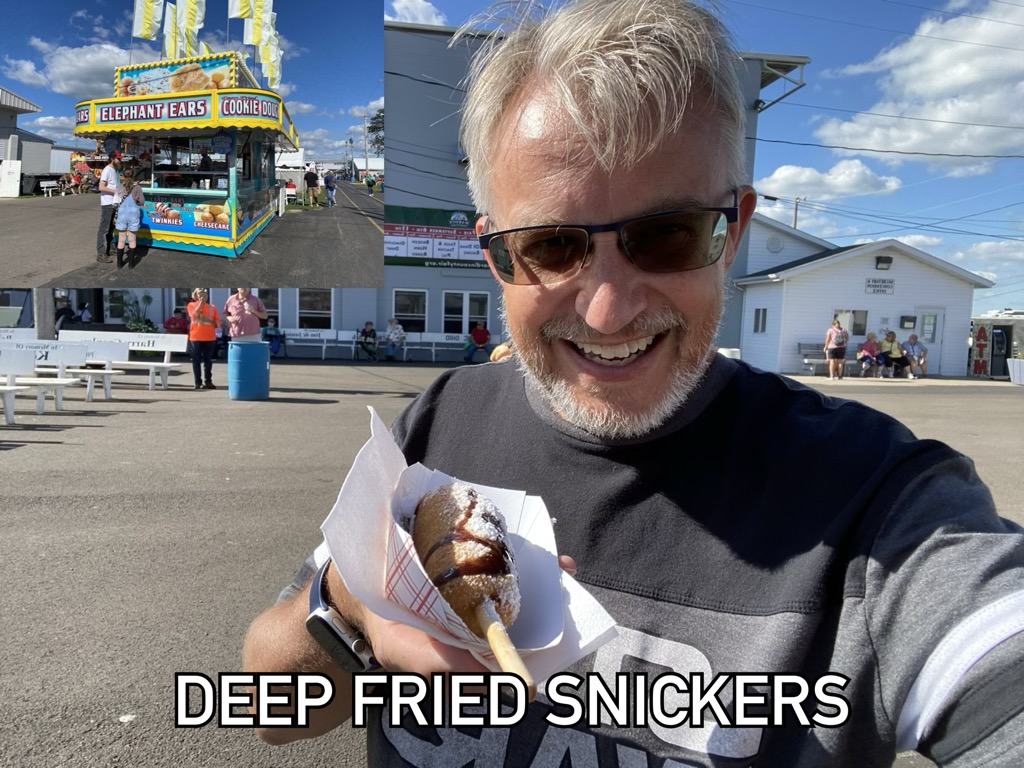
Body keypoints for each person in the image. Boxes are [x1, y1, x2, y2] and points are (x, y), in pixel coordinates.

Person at [242, 2, 1024, 765]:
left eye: (666, 235)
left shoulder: (879, 503)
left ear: (734, 230)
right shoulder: (434, 436)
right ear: (495, 255)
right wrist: (352, 604)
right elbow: (270, 710)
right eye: (551, 244)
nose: (609, 309)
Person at [186, 288, 220, 390]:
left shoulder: (212, 308)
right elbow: (193, 315)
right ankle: (198, 382)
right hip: (196, 337)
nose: (202, 297)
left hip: (209, 337)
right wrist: (200, 304)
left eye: (204, 295)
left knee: (208, 361)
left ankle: (208, 381)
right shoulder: (191, 305)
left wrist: (208, 321)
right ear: (195, 296)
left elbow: (218, 323)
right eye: (200, 295)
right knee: (196, 360)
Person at [113, 168, 145, 270]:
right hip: (133, 214)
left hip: (122, 214)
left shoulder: (120, 187)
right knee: (132, 239)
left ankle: (119, 264)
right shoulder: (137, 187)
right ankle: (131, 264)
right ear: (133, 175)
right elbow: (142, 201)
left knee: (121, 240)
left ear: (123, 175)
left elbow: (115, 202)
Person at [95, 151, 121, 262]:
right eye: (118, 159)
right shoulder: (107, 170)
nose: (119, 161)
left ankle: (111, 248)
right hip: (107, 203)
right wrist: (115, 191)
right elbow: (101, 187)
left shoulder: (114, 170)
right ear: (112, 158)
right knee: (104, 228)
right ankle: (101, 253)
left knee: (111, 227)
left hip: (113, 202)